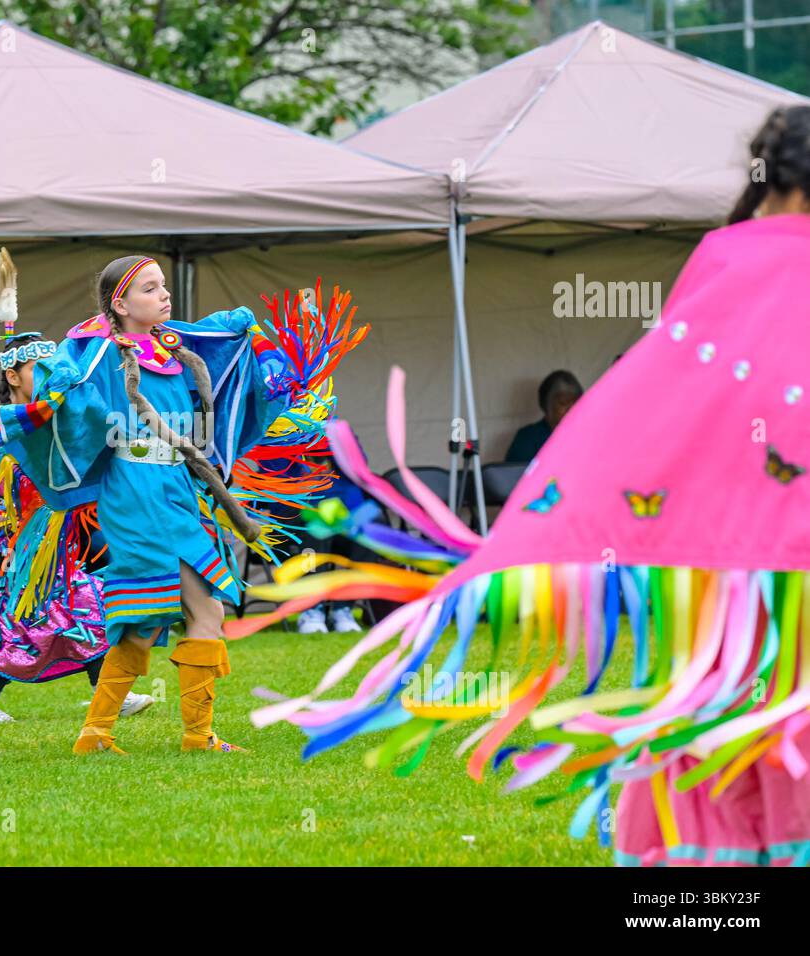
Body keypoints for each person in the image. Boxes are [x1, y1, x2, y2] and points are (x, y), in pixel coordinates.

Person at [242, 105, 810, 868]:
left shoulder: (733, 258)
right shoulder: (740, 260)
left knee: (724, 748)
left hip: (733, 587)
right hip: (759, 577)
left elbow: (646, 412)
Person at [0, 255, 366, 754]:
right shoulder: (99, 353)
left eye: (164, 285)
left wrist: (253, 337)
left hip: (177, 486)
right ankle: (138, 733)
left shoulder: (174, 347)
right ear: (120, 304)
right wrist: (53, 390)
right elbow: (73, 398)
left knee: (188, 614)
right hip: (135, 490)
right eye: (150, 289)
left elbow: (224, 356)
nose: (164, 295)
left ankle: (144, 733)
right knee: (167, 612)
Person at [0, 252, 154, 722]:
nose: (49, 377)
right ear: (13, 377)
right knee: (30, 629)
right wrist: (7, 544)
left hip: (55, 545)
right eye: (38, 370)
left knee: (82, 612)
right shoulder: (2, 434)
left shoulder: (53, 427)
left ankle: (108, 696)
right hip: (17, 552)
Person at [504, 370, 582, 463]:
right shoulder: (527, 438)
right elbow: (514, 474)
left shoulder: (585, 435)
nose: (571, 409)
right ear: (545, 404)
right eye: (563, 403)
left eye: (577, 403)